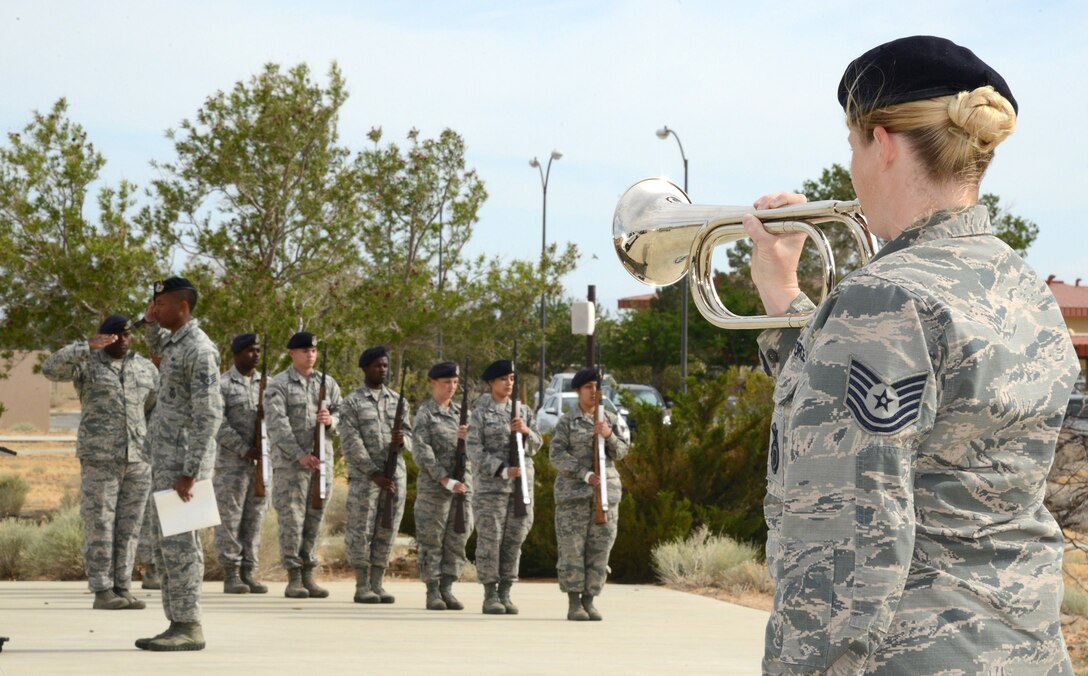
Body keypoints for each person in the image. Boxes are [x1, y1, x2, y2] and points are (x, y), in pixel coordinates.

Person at [745, 36, 1078, 673]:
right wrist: (785, 297)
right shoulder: (1020, 287)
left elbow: (843, 539)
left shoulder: (884, 297)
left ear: (884, 142)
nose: (851, 168)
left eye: (853, 146)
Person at [42, 314, 158, 611]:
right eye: (113, 335)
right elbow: (49, 368)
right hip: (100, 458)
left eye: (127, 334)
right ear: (102, 337)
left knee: (130, 526)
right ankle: (102, 589)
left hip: (138, 458)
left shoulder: (145, 368)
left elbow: (153, 407)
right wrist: (86, 346)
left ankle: (122, 586)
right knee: (101, 523)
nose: (121, 340)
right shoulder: (87, 364)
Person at [135, 277, 223, 651]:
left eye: (163, 305)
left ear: (183, 307)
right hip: (166, 461)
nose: (157, 309)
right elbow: (159, 355)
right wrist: (150, 324)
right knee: (166, 546)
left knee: (183, 547)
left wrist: (193, 471)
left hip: (184, 466)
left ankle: (189, 625)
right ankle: (176, 622)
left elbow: (209, 414)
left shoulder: (200, 350)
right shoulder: (176, 344)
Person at [549, 367, 629, 621]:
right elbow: (556, 455)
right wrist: (583, 473)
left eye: (597, 387)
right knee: (572, 550)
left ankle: (590, 599)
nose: (593, 392)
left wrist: (608, 435)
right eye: (588, 387)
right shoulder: (567, 422)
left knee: (600, 549)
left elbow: (622, 452)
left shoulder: (611, 420)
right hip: (574, 497)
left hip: (605, 497)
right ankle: (574, 602)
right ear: (577, 391)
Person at [264, 331, 340, 599]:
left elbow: (342, 414)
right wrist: (298, 454)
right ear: (292, 353)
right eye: (305, 350)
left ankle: (309, 574)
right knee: (292, 520)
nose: (311, 355)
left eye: (314, 351)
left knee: (315, 519)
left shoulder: (328, 383)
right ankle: (293, 576)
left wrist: (331, 420)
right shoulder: (279, 384)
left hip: (322, 464)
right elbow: (276, 424)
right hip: (291, 466)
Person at [339, 346, 414, 604]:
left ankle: (377, 583)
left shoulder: (397, 401)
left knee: (388, 527)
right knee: (361, 529)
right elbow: (350, 442)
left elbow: (412, 436)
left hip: (395, 475)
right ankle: (362, 584)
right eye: (376, 366)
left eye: (384, 366)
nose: (382, 370)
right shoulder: (352, 402)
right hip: (365, 478)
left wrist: (402, 440)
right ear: (365, 368)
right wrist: (372, 472)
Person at [466, 359, 541, 615]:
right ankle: (490, 594)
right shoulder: (480, 413)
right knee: (490, 541)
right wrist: (500, 468)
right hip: (492, 489)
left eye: (511, 379)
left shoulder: (523, 411)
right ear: (491, 383)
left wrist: (527, 431)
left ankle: (506, 592)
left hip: (520, 488)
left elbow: (537, 445)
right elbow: (473, 449)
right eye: (503, 379)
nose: (508, 384)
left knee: (514, 540)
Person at [410, 360, 472, 611]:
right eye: (447, 382)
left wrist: (469, 440)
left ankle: (448, 587)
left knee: (458, 538)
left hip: (462, 488)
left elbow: (478, 450)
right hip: (435, 489)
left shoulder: (462, 415)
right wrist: (443, 478)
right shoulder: (425, 414)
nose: (452, 387)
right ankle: (433, 590)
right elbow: (421, 451)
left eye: (455, 382)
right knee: (432, 539)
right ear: (433, 382)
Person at [212, 333, 270, 594]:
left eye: (257, 350)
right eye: (249, 351)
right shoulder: (222, 384)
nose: (255, 355)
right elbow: (217, 424)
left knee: (255, 517)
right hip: (232, 466)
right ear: (236, 354)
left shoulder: (268, 385)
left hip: (261, 465)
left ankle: (249, 570)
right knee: (230, 519)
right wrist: (244, 449)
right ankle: (231, 573)